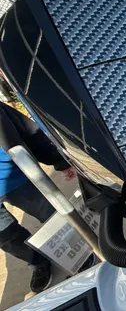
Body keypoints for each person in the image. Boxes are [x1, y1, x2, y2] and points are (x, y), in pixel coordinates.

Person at [0, 103, 75, 293]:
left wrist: (58, 160)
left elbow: (28, 130)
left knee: (52, 217)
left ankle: (75, 249)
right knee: (6, 237)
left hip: (14, 178)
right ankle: (38, 260)